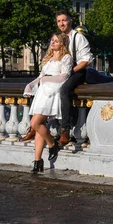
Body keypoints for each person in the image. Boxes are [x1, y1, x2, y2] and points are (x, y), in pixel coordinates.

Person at [23, 33, 73, 173]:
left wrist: (47, 80)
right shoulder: (48, 58)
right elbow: (41, 77)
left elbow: (65, 76)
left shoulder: (66, 58)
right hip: (42, 93)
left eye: (56, 41)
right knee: (39, 127)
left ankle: (52, 144)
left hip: (53, 92)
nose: (53, 43)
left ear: (63, 43)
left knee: (35, 123)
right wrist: (31, 85)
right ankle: (37, 161)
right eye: (52, 40)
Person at [55, 10, 93, 146]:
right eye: (59, 21)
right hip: (63, 70)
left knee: (65, 90)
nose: (61, 23)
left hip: (78, 70)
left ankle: (65, 129)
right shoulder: (59, 38)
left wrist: (71, 71)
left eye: (64, 20)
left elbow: (86, 60)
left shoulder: (78, 37)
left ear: (70, 21)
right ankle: (40, 125)